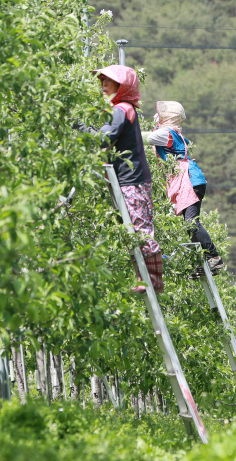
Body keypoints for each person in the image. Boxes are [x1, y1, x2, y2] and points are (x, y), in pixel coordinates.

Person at [73, 65, 163, 294]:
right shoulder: (123, 110)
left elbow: (103, 140)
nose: (103, 86)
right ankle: (144, 279)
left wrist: (79, 127)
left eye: (108, 82)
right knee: (131, 230)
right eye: (101, 82)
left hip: (131, 180)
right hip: (127, 178)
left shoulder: (121, 110)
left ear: (122, 86)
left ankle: (151, 280)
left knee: (140, 229)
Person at [141, 101, 224, 278]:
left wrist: (121, 133)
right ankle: (202, 261)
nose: (157, 117)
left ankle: (214, 258)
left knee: (191, 223)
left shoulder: (166, 133)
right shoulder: (174, 134)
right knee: (187, 225)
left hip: (188, 179)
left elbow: (144, 138)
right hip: (190, 178)